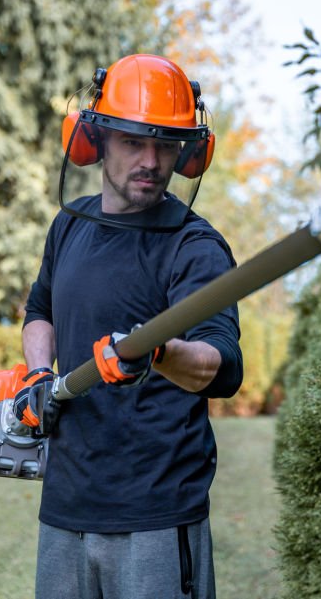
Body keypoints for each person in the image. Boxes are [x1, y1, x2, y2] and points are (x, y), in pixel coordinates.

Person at [17, 54, 243, 599]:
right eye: (134, 142)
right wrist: (37, 373)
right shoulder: (71, 223)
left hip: (156, 513)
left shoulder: (194, 246)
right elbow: (39, 311)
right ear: (95, 141)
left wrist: (159, 352)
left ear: (188, 153)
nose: (152, 160)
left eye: (167, 144)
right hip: (65, 506)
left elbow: (220, 364)